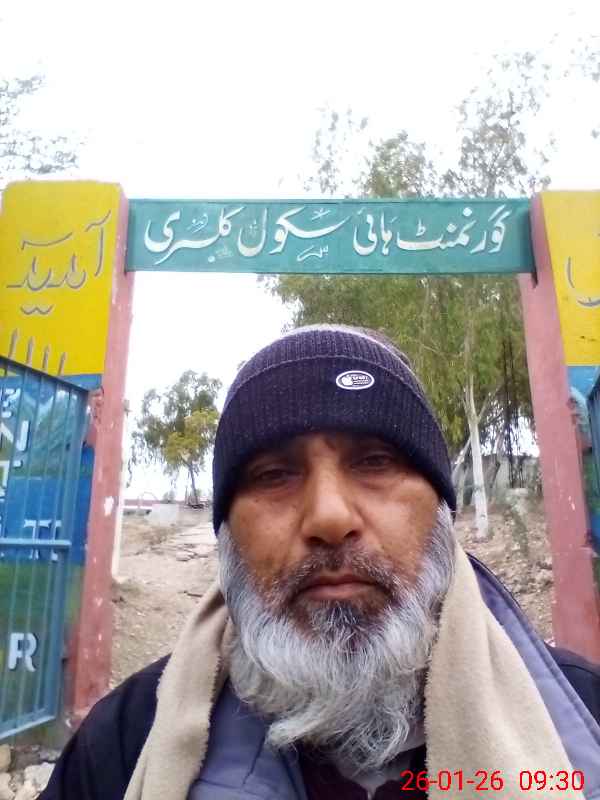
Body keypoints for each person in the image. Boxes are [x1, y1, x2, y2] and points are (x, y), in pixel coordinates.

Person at [42, 325, 600, 800]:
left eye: (375, 462)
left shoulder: (583, 713)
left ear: (440, 514)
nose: (329, 517)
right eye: (273, 474)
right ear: (228, 533)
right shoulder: (126, 742)